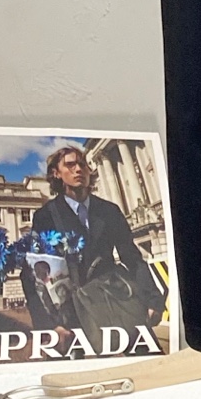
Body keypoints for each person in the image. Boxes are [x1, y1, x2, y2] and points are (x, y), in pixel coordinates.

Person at [32, 145, 165, 342]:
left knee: (146, 353)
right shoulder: (45, 216)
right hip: (72, 313)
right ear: (56, 173)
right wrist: (49, 325)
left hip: (116, 299)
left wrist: (153, 300)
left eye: (82, 164)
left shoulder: (109, 210)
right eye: (70, 165)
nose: (79, 169)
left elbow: (132, 257)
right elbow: (35, 272)